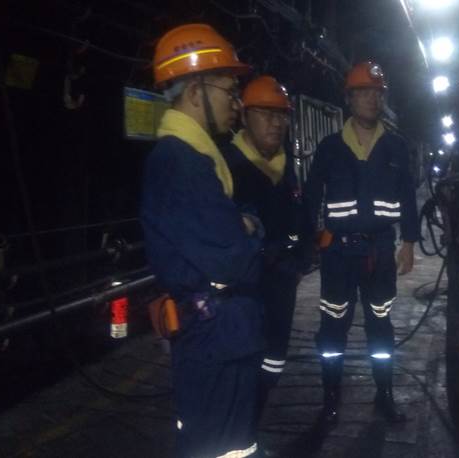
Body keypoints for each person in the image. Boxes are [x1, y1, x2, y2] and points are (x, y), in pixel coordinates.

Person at [140, 23, 265, 457]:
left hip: (221, 333)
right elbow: (236, 261)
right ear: (196, 93)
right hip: (214, 337)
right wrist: (251, 230)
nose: (236, 103)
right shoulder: (182, 163)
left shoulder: (198, 158)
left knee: (229, 446)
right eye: (229, 90)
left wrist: (244, 228)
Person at [304, 61, 419, 425]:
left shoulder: (396, 147)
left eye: (378, 93)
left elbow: (408, 197)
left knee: (381, 322)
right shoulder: (330, 147)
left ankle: (384, 395)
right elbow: (311, 197)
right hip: (337, 252)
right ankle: (330, 400)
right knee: (333, 324)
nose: (372, 99)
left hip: (380, 249)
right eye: (364, 92)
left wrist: (409, 242)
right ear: (349, 98)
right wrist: (308, 241)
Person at [220, 75, 313, 428]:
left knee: (273, 360)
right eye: (266, 113)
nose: (276, 122)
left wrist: (301, 261)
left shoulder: (285, 167)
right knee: (238, 369)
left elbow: (302, 217)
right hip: (242, 292)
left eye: (282, 115)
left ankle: (251, 428)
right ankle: (237, 435)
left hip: (281, 284)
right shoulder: (226, 166)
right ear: (245, 116)